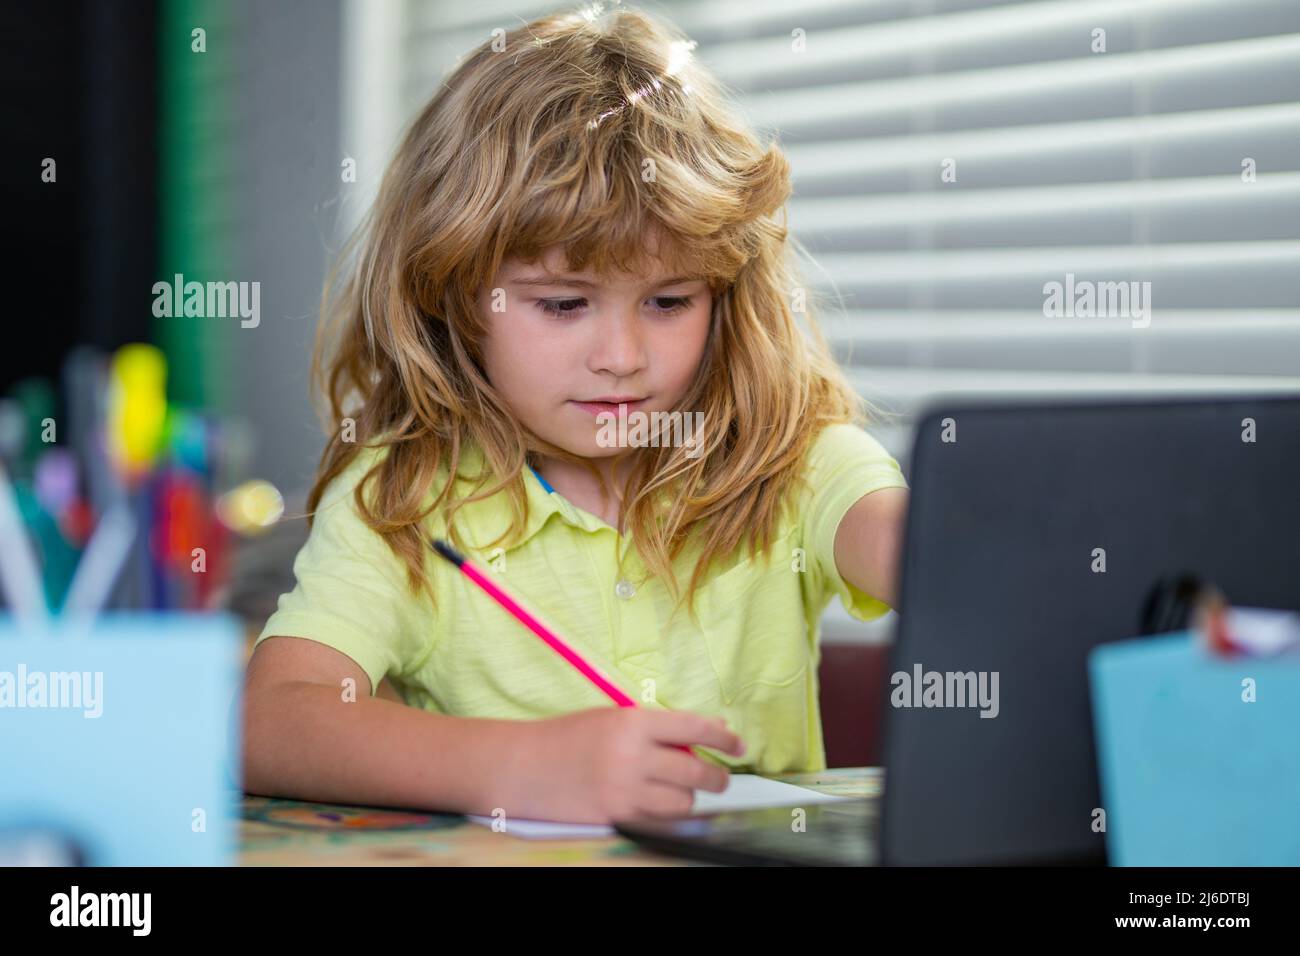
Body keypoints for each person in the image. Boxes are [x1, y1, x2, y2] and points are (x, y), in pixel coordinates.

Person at [242, 5, 909, 825]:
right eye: (562, 304)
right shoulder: (403, 503)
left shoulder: (794, 462)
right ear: (451, 296)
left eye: (669, 301)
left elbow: (928, 555)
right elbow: (270, 722)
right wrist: (521, 765)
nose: (622, 355)